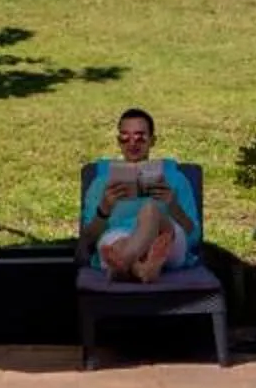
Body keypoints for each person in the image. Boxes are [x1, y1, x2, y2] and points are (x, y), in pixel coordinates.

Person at [84, 107, 198, 283]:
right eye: (125, 137)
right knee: (117, 243)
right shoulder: (102, 183)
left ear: (152, 140)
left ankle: (120, 267)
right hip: (120, 236)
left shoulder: (176, 179)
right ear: (118, 141)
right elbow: (88, 239)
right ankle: (141, 270)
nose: (132, 143)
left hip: (168, 240)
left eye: (140, 137)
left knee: (150, 211)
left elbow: (194, 235)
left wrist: (173, 206)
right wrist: (104, 209)